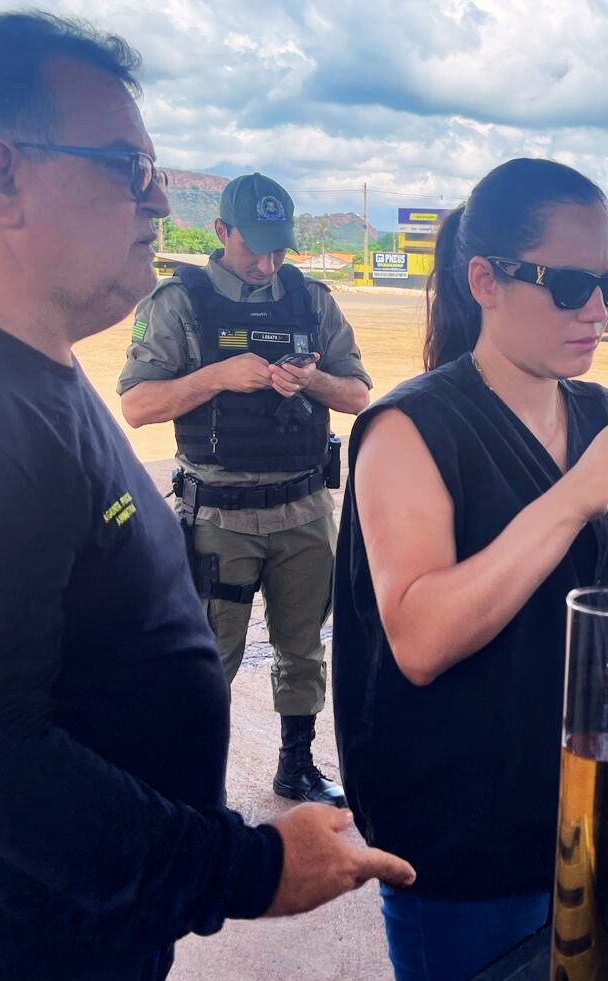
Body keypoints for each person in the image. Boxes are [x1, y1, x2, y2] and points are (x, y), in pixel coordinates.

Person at [0, 13, 412, 979]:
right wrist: (247, 868)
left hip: (98, 927)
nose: (158, 199)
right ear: (1, 178)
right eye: (129, 167)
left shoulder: (30, 373)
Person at [333, 157, 608, 980]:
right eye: (570, 286)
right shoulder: (412, 429)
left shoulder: (604, 416)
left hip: (597, 809)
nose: (599, 310)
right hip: (464, 847)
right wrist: (575, 494)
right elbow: (419, 639)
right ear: (485, 281)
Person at [118, 172, 372, 806]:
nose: (267, 263)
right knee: (208, 659)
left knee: (303, 648)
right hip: (218, 517)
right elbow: (138, 405)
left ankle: (297, 766)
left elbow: (357, 395)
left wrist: (311, 382)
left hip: (304, 509)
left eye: (279, 249)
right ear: (221, 231)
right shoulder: (178, 302)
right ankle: (194, 787)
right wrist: (218, 377)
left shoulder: (311, 300)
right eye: (254, 247)